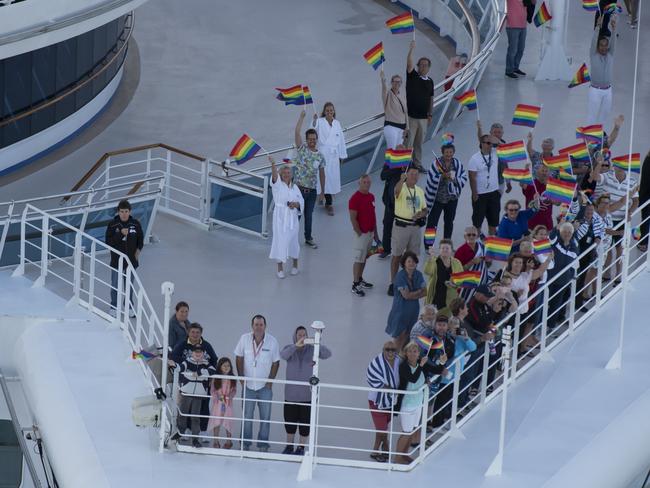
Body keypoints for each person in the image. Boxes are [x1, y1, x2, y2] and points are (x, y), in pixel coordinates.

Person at [280, 326, 331, 455]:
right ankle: (289, 446)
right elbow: (283, 355)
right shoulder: (289, 348)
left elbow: (327, 354)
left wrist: (317, 342)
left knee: (305, 425)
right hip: (291, 396)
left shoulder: (313, 349)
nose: (302, 337)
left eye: (304, 335)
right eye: (299, 335)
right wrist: (296, 346)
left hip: (307, 396)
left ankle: (301, 448)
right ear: (295, 336)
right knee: (290, 424)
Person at [234, 315, 281, 452]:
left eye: (261, 325)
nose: (258, 327)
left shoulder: (272, 341)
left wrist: (270, 382)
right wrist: (241, 377)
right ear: (252, 326)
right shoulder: (244, 339)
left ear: (265, 326)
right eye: (256, 324)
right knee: (247, 417)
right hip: (248, 386)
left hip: (265, 387)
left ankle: (263, 445)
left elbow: (276, 362)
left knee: (265, 417)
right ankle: (245, 443)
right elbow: (238, 357)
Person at [429, 315, 476, 428]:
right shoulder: (446, 339)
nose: (455, 329)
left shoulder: (460, 339)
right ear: (448, 328)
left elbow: (473, 348)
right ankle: (437, 422)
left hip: (456, 374)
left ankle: (444, 418)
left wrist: (466, 338)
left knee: (449, 398)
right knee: (441, 399)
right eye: (452, 327)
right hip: (445, 375)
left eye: (457, 327)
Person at [395, 341, 437, 464]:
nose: (413, 353)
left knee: (412, 431)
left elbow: (430, 372)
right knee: (406, 432)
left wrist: (427, 379)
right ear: (406, 353)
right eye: (410, 351)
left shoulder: (419, 364)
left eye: (415, 351)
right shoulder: (403, 366)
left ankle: (404, 454)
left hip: (418, 402)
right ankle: (397, 457)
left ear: (418, 353)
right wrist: (421, 366)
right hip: (407, 404)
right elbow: (412, 379)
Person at [597, 160, 639, 282]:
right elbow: (595, 177)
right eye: (617, 166)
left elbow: (635, 201)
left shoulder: (632, 181)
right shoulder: (607, 176)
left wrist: (630, 212)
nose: (620, 169)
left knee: (620, 250)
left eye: (622, 167)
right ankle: (606, 274)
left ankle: (619, 277)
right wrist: (599, 163)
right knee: (608, 249)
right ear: (613, 167)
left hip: (621, 220)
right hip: (608, 218)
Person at [388, 167, 428, 296]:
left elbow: (425, 209)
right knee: (397, 255)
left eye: (416, 175)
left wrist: (421, 213)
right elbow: (396, 192)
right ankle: (393, 283)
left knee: (413, 257)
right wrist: (401, 180)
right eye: (412, 174)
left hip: (415, 227)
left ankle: (409, 281)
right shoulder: (402, 187)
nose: (414, 177)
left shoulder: (420, 191)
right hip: (401, 227)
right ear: (406, 175)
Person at [105, 199, 144, 318]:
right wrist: (120, 233)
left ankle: (129, 307)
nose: (124, 214)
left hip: (131, 262)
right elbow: (108, 242)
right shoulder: (112, 224)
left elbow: (140, 240)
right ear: (118, 212)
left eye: (126, 211)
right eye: (121, 211)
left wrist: (138, 251)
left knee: (129, 286)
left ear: (130, 211)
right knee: (115, 285)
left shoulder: (135, 224)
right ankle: (114, 307)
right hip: (116, 261)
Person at [294, 110, 326, 249]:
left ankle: (308, 238)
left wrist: (322, 192)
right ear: (307, 140)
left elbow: (322, 174)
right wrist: (301, 117)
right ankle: (292, 238)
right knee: (296, 217)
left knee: (309, 216)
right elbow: (296, 133)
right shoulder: (302, 149)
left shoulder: (320, 156)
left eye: (314, 139)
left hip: (312, 191)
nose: (312, 141)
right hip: (299, 189)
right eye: (310, 139)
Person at [268, 157, 304, 278]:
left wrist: (296, 204)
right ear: (281, 175)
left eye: (289, 173)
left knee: (294, 241)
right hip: (280, 218)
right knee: (280, 241)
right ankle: (279, 268)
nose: (287, 175)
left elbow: (301, 201)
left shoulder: (294, 187)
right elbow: (274, 177)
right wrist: (273, 164)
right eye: (284, 173)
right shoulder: (277, 186)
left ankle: (295, 265)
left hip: (293, 218)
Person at [424, 144, 468, 240]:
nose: (449, 154)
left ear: (453, 152)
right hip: (437, 199)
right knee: (432, 223)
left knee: (449, 222)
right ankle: (428, 246)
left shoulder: (457, 164)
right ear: (442, 152)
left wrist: (454, 179)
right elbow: (430, 180)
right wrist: (442, 177)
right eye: (446, 152)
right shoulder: (436, 164)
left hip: (451, 199)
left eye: (451, 152)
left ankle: (446, 242)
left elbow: (464, 178)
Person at [366, 341, 400, 463]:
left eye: (393, 350)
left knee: (382, 428)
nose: (390, 352)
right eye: (387, 349)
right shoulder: (376, 362)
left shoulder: (398, 361)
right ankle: (384, 448)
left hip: (391, 401)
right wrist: (388, 388)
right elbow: (371, 376)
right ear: (383, 350)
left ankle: (376, 451)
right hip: (376, 400)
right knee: (382, 428)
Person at [386, 251, 427, 351]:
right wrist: (418, 292)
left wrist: (412, 294)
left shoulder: (418, 274)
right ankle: (393, 358)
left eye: (413, 261)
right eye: (409, 261)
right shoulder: (400, 276)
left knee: (409, 335)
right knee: (399, 336)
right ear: (404, 263)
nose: (411, 263)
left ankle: (401, 358)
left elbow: (425, 292)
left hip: (413, 310)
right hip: (400, 310)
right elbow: (406, 296)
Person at [177, 344, 217, 448]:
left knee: (195, 418)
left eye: (200, 352)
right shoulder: (187, 361)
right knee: (182, 415)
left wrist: (199, 372)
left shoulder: (206, 363)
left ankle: (195, 439)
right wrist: (175, 366)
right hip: (186, 393)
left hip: (199, 395)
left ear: (203, 353)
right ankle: (179, 434)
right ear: (192, 352)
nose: (198, 353)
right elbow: (181, 368)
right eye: (196, 351)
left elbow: (213, 370)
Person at [312, 102, 348, 215]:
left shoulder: (337, 123)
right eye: (327, 110)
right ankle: (327, 201)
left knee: (331, 179)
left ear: (334, 111)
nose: (329, 112)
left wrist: (342, 155)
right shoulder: (320, 121)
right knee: (323, 178)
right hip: (323, 154)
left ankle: (326, 200)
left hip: (333, 155)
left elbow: (341, 140)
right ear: (324, 111)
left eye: (331, 110)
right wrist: (314, 121)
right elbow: (312, 130)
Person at [405, 40, 434, 170]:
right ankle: (405, 165)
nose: (423, 67)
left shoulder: (430, 81)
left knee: (419, 143)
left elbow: (431, 98)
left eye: (425, 65)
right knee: (409, 142)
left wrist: (430, 114)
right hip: (411, 117)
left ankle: (417, 164)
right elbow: (409, 64)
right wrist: (411, 49)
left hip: (423, 118)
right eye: (421, 65)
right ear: (418, 66)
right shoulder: (413, 76)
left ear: (429, 67)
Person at [349, 174, 379, 297]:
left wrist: (375, 234)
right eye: (364, 182)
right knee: (358, 259)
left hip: (370, 233)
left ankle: (360, 278)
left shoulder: (371, 197)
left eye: (368, 182)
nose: (367, 184)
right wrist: (359, 233)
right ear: (359, 183)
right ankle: (355, 284)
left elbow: (373, 216)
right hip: (362, 234)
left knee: (364, 258)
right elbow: (353, 218)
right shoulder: (354, 199)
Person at [546, 223, 579, 329]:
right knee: (544, 303)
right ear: (560, 232)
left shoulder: (574, 246)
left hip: (563, 281)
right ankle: (538, 327)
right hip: (550, 278)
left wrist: (573, 275)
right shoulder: (555, 242)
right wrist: (557, 227)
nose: (567, 234)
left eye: (569, 232)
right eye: (564, 231)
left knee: (556, 305)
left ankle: (550, 326)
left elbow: (573, 262)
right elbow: (551, 237)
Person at [574, 204, 605, 311]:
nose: (590, 212)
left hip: (587, 255)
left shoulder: (595, 223)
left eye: (592, 210)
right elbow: (576, 236)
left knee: (581, 280)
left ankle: (577, 304)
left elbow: (598, 235)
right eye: (588, 210)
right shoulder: (579, 222)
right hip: (577, 254)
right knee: (574, 280)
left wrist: (596, 241)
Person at [468, 135, 501, 236]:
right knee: (477, 222)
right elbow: (472, 177)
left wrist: (493, 139)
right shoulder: (474, 158)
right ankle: (477, 243)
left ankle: (491, 242)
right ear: (481, 144)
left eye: (491, 143)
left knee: (493, 221)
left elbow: (504, 146)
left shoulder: (495, 154)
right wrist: (474, 193)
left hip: (494, 192)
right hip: (480, 194)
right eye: (487, 143)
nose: (490, 145)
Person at [588, 16, 617, 126]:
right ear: (597, 46)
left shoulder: (610, 54)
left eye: (605, 45)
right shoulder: (593, 55)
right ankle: (589, 140)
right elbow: (594, 40)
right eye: (601, 45)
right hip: (595, 90)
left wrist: (614, 29)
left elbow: (614, 42)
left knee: (604, 116)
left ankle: (600, 137)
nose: (604, 48)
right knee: (592, 116)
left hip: (608, 91)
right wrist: (598, 27)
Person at [424, 239, 463, 315]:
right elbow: (427, 271)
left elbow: (461, 281)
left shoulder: (457, 262)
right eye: (442, 248)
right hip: (434, 299)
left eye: (447, 248)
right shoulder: (434, 261)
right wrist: (431, 258)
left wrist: (454, 285)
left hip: (450, 301)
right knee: (431, 322)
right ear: (439, 250)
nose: (445, 250)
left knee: (446, 324)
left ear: (451, 250)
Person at [379, 152, 405, 259]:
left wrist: (403, 171)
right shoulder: (389, 163)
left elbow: (413, 179)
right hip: (390, 201)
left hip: (403, 202)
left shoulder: (409, 164)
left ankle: (402, 250)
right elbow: (382, 176)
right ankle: (386, 249)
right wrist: (396, 168)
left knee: (403, 227)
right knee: (387, 224)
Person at [207, 357, 237, 449]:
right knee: (217, 421)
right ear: (220, 367)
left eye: (228, 366)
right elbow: (212, 390)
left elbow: (234, 390)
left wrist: (229, 397)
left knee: (228, 421)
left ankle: (229, 441)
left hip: (227, 403)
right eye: (224, 366)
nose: (226, 367)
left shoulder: (232, 378)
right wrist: (217, 398)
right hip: (218, 403)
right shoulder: (216, 378)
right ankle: (216, 441)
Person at [454, 226, 490, 302]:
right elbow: (457, 273)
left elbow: (487, 266)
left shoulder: (482, 247)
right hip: (467, 286)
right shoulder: (460, 251)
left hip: (481, 283)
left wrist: (488, 261)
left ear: (477, 236)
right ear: (465, 236)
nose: (471, 236)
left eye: (473, 235)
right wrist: (472, 262)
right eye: (469, 235)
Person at [381, 71, 409, 149]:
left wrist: (407, 127)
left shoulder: (402, 96)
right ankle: (388, 162)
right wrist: (383, 80)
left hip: (402, 128)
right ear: (392, 83)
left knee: (398, 153)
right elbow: (384, 89)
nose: (397, 83)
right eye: (395, 81)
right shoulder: (388, 94)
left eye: (399, 81)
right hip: (391, 127)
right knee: (391, 151)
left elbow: (405, 112)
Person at [522, 164, 554, 230]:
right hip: (532, 224)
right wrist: (525, 171)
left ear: (549, 173)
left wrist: (550, 199)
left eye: (546, 171)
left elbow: (558, 203)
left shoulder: (552, 186)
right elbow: (522, 184)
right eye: (542, 171)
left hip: (547, 224)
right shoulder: (532, 183)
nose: (544, 173)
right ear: (537, 172)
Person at [505, 0, 529, 79]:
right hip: (512, 26)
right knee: (513, 50)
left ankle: (515, 67)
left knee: (520, 49)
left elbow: (532, 3)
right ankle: (509, 70)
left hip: (523, 25)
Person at [639, 151, 650, 252]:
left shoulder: (647, 160)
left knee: (646, 219)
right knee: (646, 219)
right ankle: (643, 243)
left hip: (644, 195)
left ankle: (643, 242)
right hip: (646, 196)